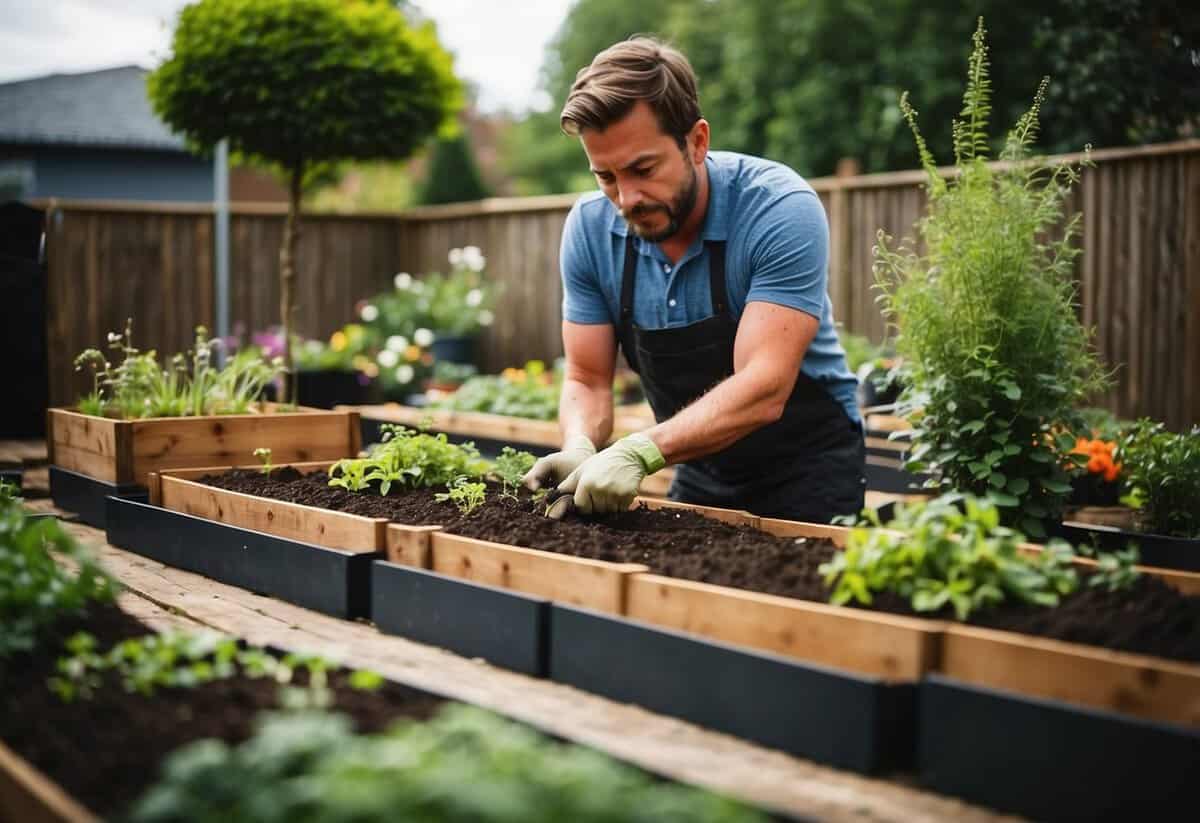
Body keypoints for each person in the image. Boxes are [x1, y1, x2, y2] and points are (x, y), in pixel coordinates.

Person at [522, 36, 865, 523]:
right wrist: (580, 442)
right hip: (695, 462)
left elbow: (764, 387)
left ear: (697, 141)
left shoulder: (777, 208)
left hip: (809, 467)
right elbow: (587, 377)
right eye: (606, 176)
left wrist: (639, 452)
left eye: (643, 168)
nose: (627, 197)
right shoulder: (590, 229)